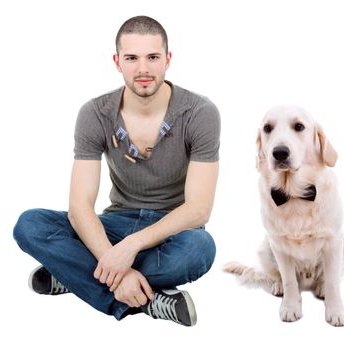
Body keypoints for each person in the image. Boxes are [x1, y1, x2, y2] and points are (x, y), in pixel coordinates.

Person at [13, 15, 220, 327]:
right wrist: (117, 261)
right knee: (29, 225)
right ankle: (143, 299)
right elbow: (79, 206)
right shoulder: (95, 113)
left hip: (171, 231)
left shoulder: (200, 113)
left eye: (153, 57)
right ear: (117, 62)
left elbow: (198, 210)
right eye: (132, 58)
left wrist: (130, 248)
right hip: (114, 223)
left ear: (168, 60)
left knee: (200, 250)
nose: (143, 69)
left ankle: (75, 276)